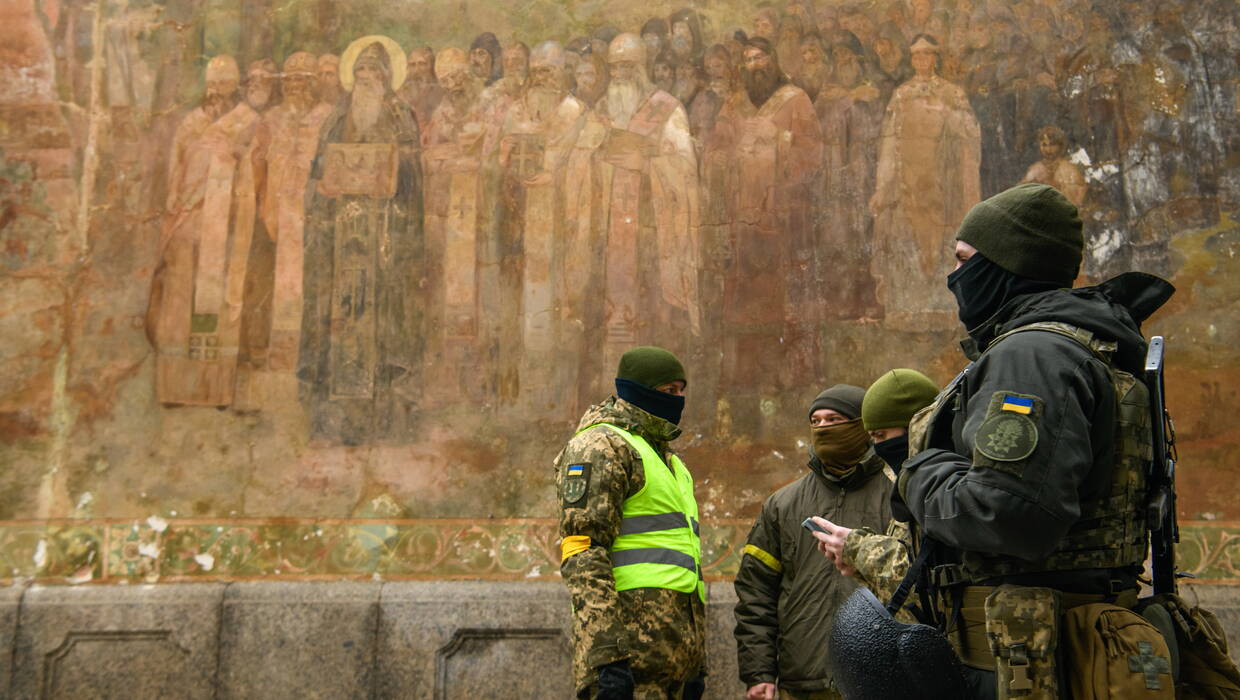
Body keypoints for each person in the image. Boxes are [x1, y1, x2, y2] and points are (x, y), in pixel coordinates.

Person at [893, 183, 1175, 696]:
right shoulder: (1080, 346)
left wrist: (917, 472)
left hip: (1023, 667)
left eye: (963, 260)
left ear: (1004, 262)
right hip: (1054, 653)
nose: (954, 276)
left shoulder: (1034, 355)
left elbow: (1006, 515)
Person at [556, 346, 707, 700]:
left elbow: (684, 565)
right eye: (669, 391)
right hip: (627, 661)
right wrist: (607, 658)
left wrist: (696, 664)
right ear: (637, 389)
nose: (677, 400)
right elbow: (583, 553)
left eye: (681, 391)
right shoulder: (601, 446)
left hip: (673, 662)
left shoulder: (670, 461)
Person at [734, 385, 892, 700]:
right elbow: (756, 592)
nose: (822, 428)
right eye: (816, 422)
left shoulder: (897, 495)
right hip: (804, 681)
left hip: (882, 677)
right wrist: (759, 672)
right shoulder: (783, 504)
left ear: (862, 426)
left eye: (834, 420)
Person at [811, 368, 939, 603]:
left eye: (881, 435)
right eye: (873, 437)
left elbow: (935, 581)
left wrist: (857, 548)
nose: (877, 446)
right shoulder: (906, 483)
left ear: (916, 429)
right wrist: (860, 565)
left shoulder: (945, 487)